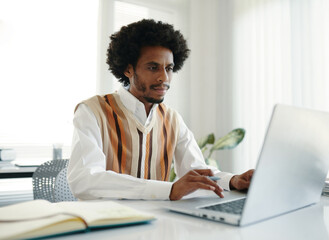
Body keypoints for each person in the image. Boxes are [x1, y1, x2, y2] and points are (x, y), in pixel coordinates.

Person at [68, 19, 254, 201]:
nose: (163, 77)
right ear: (128, 69)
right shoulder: (92, 111)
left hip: (156, 225)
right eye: (153, 67)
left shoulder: (172, 119)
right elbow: (84, 180)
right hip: (106, 225)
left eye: (169, 68)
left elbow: (196, 170)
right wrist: (168, 190)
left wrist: (233, 180)